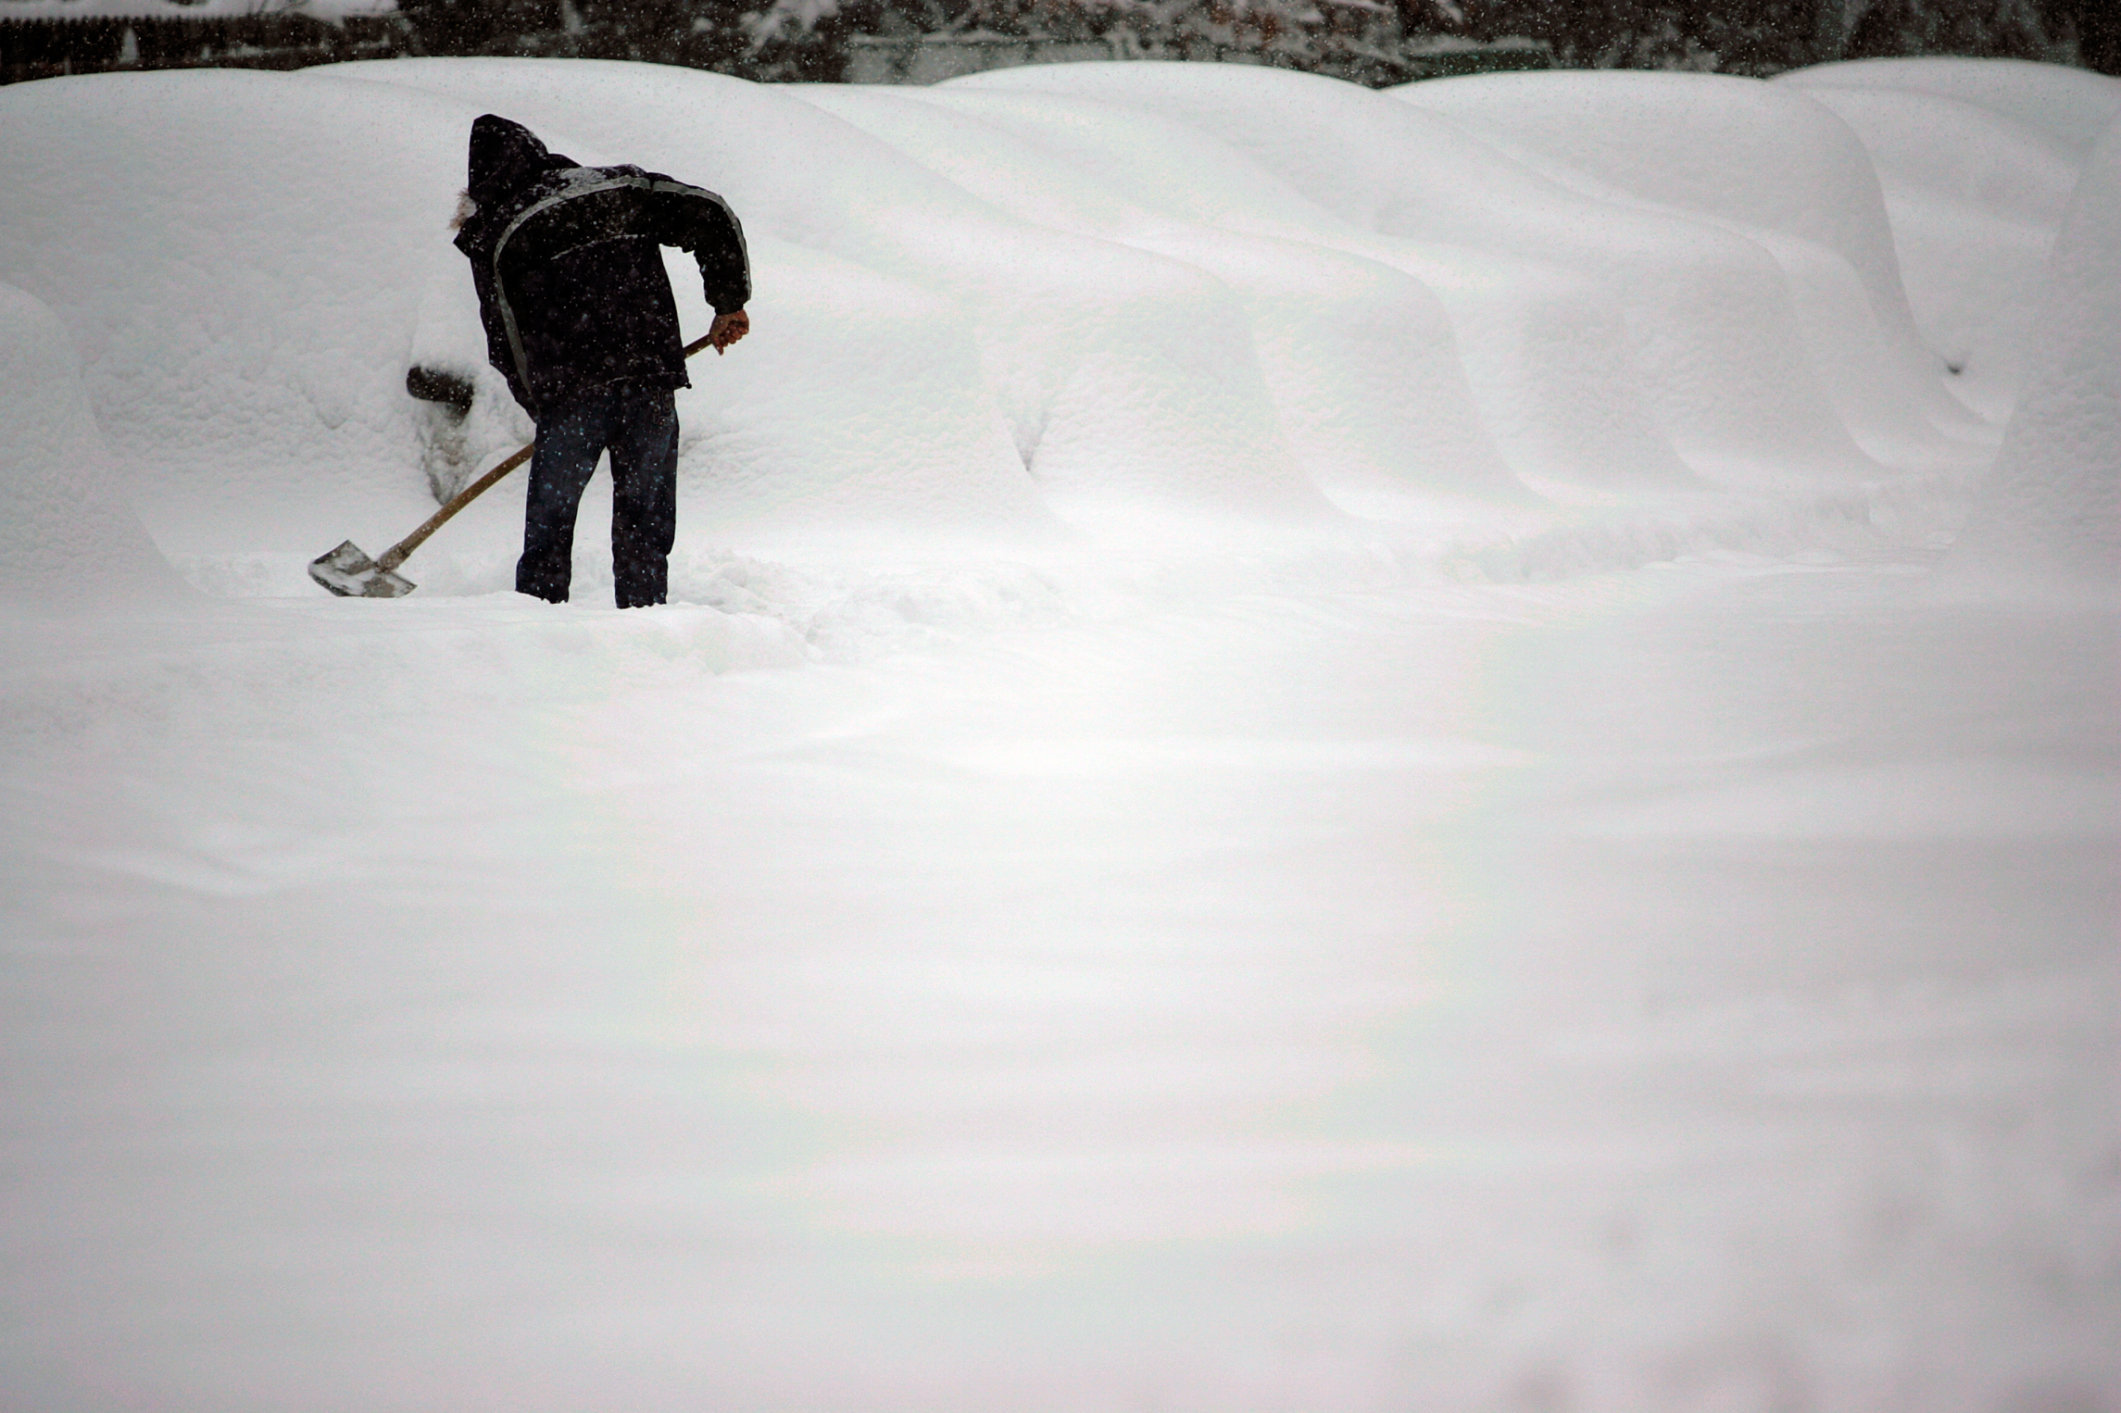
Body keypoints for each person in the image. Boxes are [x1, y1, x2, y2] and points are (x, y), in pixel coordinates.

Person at [452, 114, 751, 608]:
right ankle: (644, 617)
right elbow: (711, 213)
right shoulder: (619, 187)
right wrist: (727, 301)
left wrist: (538, 403)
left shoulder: (502, 231)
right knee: (644, 517)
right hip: (648, 378)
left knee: (550, 522)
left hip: (571, 392)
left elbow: (505, 338)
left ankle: (537, 623)